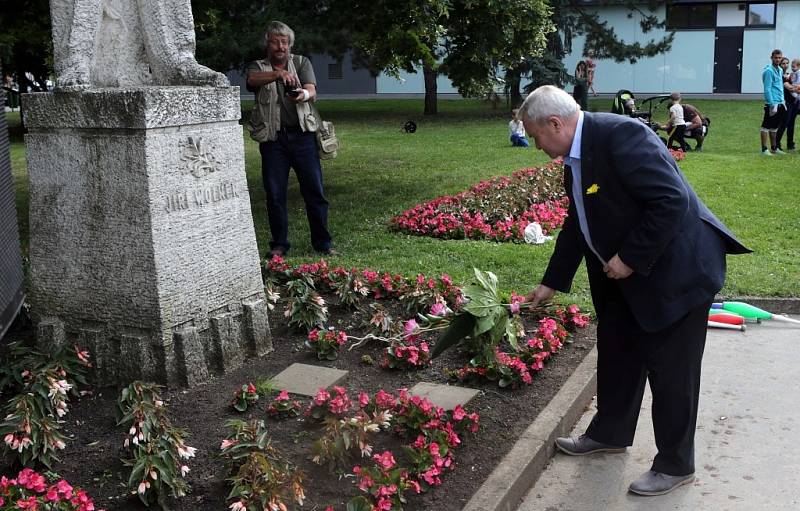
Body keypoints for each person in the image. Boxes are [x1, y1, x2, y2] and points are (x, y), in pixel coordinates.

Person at [520, 85, 750, 497]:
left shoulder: (622, 136)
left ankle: (676, 464)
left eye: (536, 135)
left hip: (674, 275)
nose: (536, 145)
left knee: (672, 374)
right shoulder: (575, 155)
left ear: (555, 124)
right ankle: (609, 432)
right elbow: (579, 221)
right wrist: (552, 282)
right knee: (618, 354)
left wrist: (628, 257)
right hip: (624, 279)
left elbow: (669, 200)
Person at [246, 21, 336, 257]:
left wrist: (303, 94)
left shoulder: (301, 62)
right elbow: (251, 81)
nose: (280, 46)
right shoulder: (258, 66)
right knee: (275, 194)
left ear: (290, 45)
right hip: (273, 141)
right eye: (275, 41)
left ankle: (323, 243)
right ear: (268, 43)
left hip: (303, 138)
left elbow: (312, 90)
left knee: (314, 191)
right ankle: (279, 245)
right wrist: (277, 74)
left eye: (284, 42)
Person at [760, 49, 787, 155]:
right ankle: (764, 149)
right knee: (766, 126)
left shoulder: (780, 70)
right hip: (772, 103)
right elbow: (767, 89)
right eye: (776, 58)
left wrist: (782, 101)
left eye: (779, 57)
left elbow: (779, 86)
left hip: (780, 102)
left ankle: (774, 148)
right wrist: (771, 104)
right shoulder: (768, 71)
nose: (778, 59)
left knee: (775, 127)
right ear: (771, 58)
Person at [775, 56, 799, 151]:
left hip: (793, 102)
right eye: (783, 63)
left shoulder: (789, 75)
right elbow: (789, 88)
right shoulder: (780, 75)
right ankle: (776, 145)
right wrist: (797, 88)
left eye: (787, 63)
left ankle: (790, 144)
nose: (786, 65)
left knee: (791, 124)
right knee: (784, 123)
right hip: (786, 102)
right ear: (780, 65)